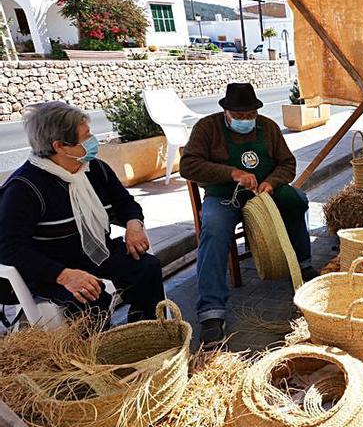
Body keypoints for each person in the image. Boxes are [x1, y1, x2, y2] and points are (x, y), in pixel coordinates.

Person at [0, 102, 164, 323]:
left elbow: (125, 203)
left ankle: (146, 328)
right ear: (60, 146)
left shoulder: (95, 169)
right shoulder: (25, 188)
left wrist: (134, 225)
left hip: (96, 252)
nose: (93, 141)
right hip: (52, 268)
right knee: (91, 298)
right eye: (86, 136)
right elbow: (9, 248)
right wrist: (63, 275)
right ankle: (98, 351)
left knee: (147, 268)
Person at [181, 82, 316, 347]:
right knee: (214, 229)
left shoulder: (268, 127)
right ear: (226, 112)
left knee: (296, 200)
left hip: (264, 192)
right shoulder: (207, 128)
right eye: (240, 116)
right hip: (224, 196)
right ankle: (211, 311)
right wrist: (231, 173)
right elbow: (188, 165)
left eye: (250, 115)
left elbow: (287, 163)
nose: (246, 120)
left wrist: (272, 182)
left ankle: (303, 265)